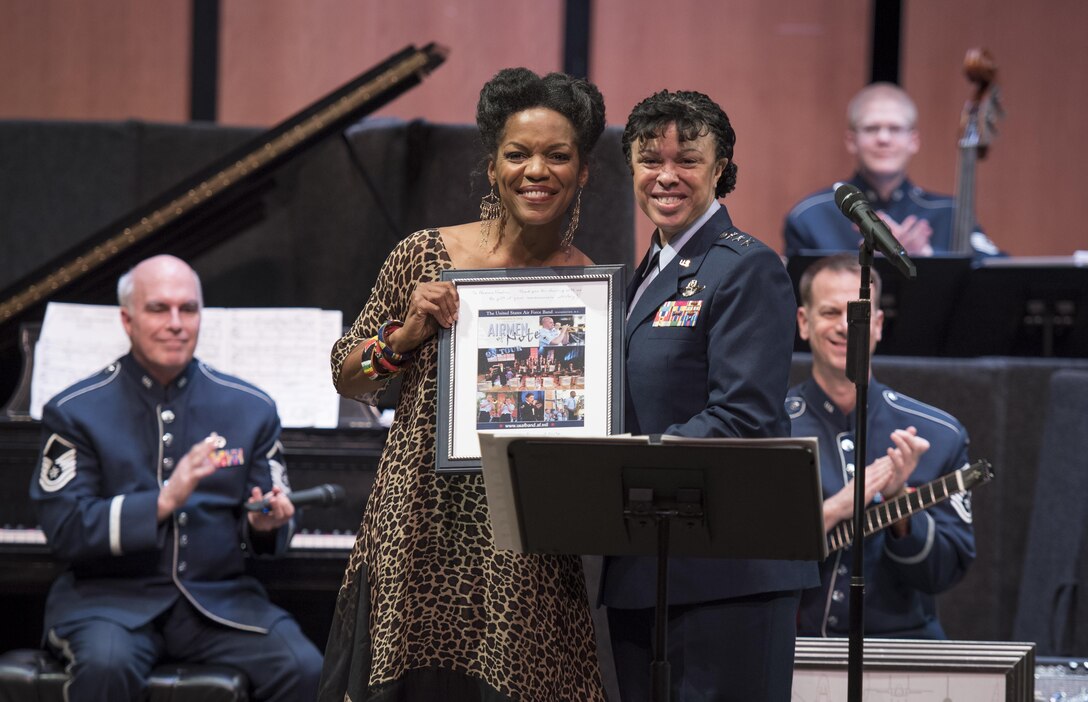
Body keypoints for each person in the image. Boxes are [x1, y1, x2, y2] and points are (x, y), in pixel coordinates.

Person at [317, 67, 607, 701]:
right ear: (493, 163)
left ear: (583, 171)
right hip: (420, 529)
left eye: (558, 156)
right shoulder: (425, 255)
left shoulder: (592, 287)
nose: (537, 170)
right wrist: (402, 338)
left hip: (528, 543)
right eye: (518, 154)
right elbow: (346, 375)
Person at [602, 89, 818, 701]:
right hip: (649, 561)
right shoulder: (642, 271)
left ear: (720, 169)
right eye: (649, 159)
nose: (666, 176)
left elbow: (743, 416)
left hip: (730, 571)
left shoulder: (746, 267)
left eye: (687, 160)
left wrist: (618, 462)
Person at [30, 255, 323, 702]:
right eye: (158, 309)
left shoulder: (249, 407)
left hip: (218, 604)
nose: (176, 323)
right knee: (106, 667)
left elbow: (266, 519)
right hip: (107, 603)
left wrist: (266, 525)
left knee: (305, 668)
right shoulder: (76, 411)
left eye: (188, 309)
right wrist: (163, 500)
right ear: (127, 320)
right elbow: (66, 528)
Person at [787, 253, 976, 638]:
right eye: (828, 313)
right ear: (803, 323)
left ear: (876, 325)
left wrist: (898, 504)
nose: (844, 327)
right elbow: (740, 558)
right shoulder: (765, 428)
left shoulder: (938, 433)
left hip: (903, 654)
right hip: (791, 653)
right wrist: (836, 508)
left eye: (857, 314)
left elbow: (944, 572)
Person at [783, 82, 1002, 259]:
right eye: (871, 129)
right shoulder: (810, 216)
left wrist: (927, 257)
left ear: (913, 141)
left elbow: (1001, 274)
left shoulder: (951, 213)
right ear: (851, 141)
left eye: (895, 129)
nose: (884, 139)